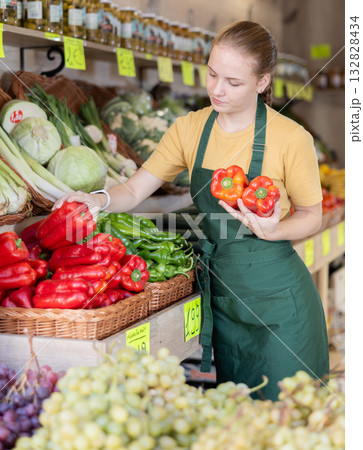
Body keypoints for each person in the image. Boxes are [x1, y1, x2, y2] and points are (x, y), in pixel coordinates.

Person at [54, 20, 329, 400]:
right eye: (212, 74)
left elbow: (312, 215)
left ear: (263, 82)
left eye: (233, 82)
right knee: (235, 420)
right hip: (222, 298)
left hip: (280, 304)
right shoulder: (190, 129)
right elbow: (135, 189)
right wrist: (97, 199)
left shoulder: (290, 138)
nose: (217, 89)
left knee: (289, 419)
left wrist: (274, 229)